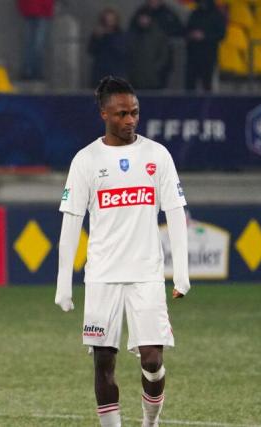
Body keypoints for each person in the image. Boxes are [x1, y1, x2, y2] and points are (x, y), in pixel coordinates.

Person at [55, 76, 190, 427]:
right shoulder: (86, 160)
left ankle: (150, 421)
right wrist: (63, 283)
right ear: (103, 114)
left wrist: (182, 273)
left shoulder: (157, 155)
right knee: (103, 362)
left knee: (151, 360)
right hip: (102, 276)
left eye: (134, 113)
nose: (130, 120)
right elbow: (71, 221)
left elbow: (175, 212)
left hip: (146, 274)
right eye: (121, 114)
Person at [184, 0, 226, 92]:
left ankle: (206, 105)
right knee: (189, 83)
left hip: (208, 55)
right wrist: (191, 35)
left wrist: (205, 37)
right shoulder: (195, 14)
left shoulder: (217, 15)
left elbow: (221, 35)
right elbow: (186, 30)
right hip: (193, 54)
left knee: (206, 83)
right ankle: (189, 105)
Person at [127, 12, 170, 90]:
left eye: (146, 18)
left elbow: (164, 56)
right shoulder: (132, 35)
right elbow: (128, 54)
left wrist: (155, 69)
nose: (143, 21)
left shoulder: (159, 35)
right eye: (141, 18)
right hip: (135, 78)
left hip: (154, 78)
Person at [88, 8, 128, 88]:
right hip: (99, 74)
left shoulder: (120, 34)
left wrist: (111, 36)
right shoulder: (98, 34)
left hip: (116, 74)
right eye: (107, 19)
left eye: (112, 19)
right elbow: (91, 50)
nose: (109, 22)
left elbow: (122, 52)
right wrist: (97, 38)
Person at [16, 0, 54, 80]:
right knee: (38, 44)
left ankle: (29, 71)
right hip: (42, 9)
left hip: (30, 9)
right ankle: (36, 72)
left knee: (30, 43)